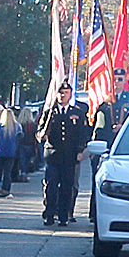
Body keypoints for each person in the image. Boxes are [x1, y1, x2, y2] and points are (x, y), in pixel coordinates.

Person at [38, 83, 86, 226]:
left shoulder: (77, 112)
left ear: (70, 94)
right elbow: (40, 132)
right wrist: (42, 134)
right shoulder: (49, 113)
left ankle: (64, 216)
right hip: (53, 155)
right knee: (51, 187)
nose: (63, 95)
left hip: (69, 157)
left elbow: (82, 134)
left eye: (66, 92)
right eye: (61, 92)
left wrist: (80, 151)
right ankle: (50, 214)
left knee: (67, 187)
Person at [0, 107, 19, 195]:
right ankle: (6, 189)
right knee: (7, 172)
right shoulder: (17, 126)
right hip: (11, 152)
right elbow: (21, 136)